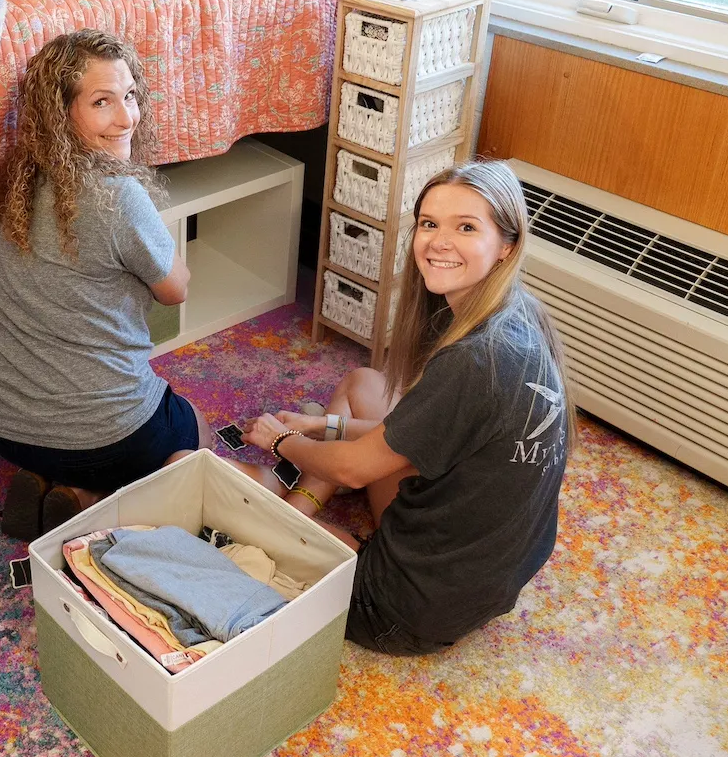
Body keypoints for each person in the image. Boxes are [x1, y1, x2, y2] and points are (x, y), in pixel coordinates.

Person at [240, 160, 573, 655]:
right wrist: (321, 424)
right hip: (488, 581)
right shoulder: (521, 314)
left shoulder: (474, 362)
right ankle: (303, 500)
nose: (438, 242)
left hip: (402, 611)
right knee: (364, 383)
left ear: (507, 244)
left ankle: (297, 508)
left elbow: (355, 470)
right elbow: (427, 428)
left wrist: (284, 439)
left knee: (210, 476)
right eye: (429, 224)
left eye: (466, 227)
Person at [0, 30, 214, 542]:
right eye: (102, 102)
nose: (127, 118)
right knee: (193, 428)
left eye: (129, 96)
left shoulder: (12, 185)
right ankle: (95, 501)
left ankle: (56, 482)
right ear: (59, 113)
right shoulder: (118, 197)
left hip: (3, 423)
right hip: (106, 434)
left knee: (95, 432)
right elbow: (176, 289)